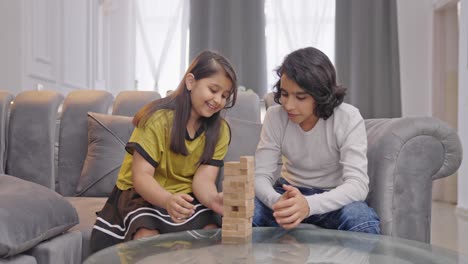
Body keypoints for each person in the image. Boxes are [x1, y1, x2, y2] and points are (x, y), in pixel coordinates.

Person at [90, 50, 238, 253]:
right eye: (213, 90)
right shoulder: (158, 120)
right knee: (147, 236)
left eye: (224, 96)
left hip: (186, 195)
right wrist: (167, 200)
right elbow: (141, 177)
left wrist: (214, 200)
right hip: (143, 192)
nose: (218, 100)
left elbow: (203, 180)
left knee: (210, 234)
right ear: (190, 82)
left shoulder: (220, 131)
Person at [253, 47, 380, 234]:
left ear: (321, 95)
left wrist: (308, 205)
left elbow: (358, 184)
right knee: (246, 211)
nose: (288, 105)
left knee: (361, 219)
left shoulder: (348, 118)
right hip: (287, 194)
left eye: (300, 97)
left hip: (334, 197)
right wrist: (277, 201)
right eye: (285, 94)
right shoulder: (275, 116)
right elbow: (260, 175)